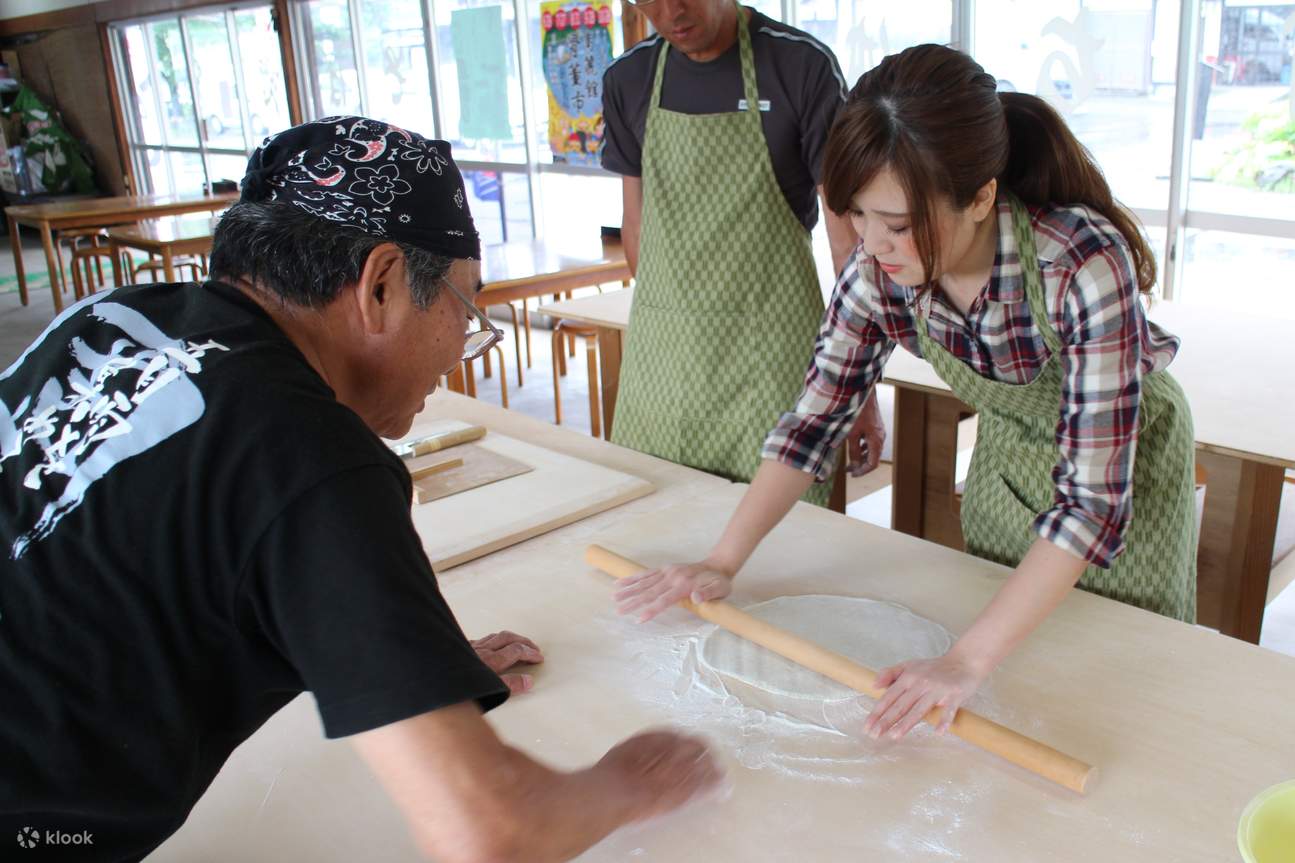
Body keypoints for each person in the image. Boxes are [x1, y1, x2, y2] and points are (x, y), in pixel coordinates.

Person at [0, 117, 720, 862]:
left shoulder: (112, 318)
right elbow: (493, 827)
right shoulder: (311, 452)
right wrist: (631, 781)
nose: (459, 348)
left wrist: (394, 660)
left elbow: (135, 560)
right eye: (464, 308)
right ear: (380, 285)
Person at [614, 45, 1197, 742]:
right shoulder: (877, 267)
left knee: (1111, 687)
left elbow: (1090, 503)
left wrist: (962, 660)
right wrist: (721, 560)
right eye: (856, 215)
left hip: (1121, 472)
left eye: (896, 223)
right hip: (1011, 455)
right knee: (1021, 682)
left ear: (980, 196)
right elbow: (814, 420)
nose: (873, 244)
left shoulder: (1076, 260)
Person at [601, 0, 886, 505]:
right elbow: (636, 223)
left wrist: (858, 387)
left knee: (786, 540)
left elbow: (848, 242)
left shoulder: (800, 65)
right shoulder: (629, 78)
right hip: (666, 363)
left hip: (773, 358)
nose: (670, 12)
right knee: (658, 526)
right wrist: (667, 325)